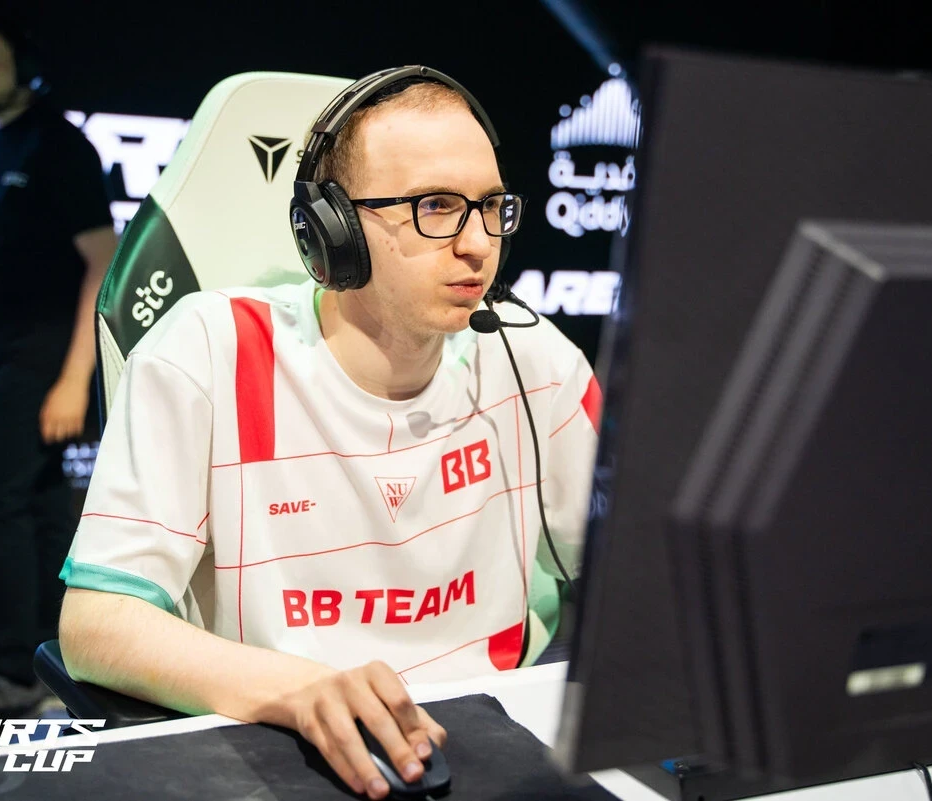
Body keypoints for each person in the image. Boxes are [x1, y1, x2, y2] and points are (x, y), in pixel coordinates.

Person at [58, 68, 599, 799]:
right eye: (437, 206)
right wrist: (301, 689)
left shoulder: (534, 359)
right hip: (276, 750)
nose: (478, 243)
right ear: (332, 229)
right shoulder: (210, 351)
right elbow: (95, 625)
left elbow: (638, 579)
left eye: (491, 206)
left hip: (494, 746)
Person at [0, 10, 118, 719]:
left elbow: (102, 262)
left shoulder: (59, 145)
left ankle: (15, 673)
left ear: (21, 61)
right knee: (37, 507)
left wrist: (75, 378)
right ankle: (62, 659)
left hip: (44, 353)